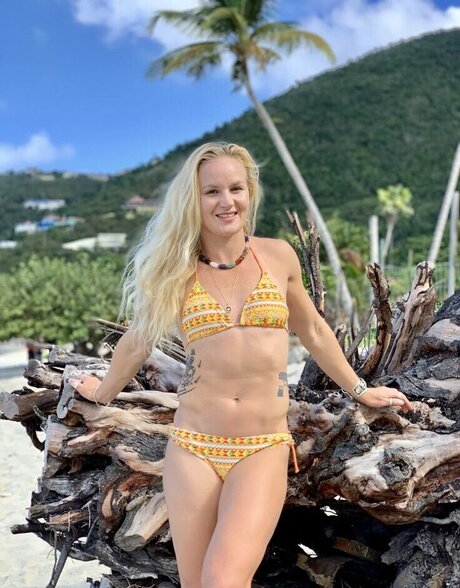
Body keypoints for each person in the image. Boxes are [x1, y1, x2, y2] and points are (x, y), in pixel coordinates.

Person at [71, 142, 412, 588]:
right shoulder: (176, 269)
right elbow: (137, 340)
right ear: (194, 200)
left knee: (224, 578)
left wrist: (360, 389)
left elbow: (313, 329)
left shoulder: (278, 256)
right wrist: (101, 393)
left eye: (236, 188)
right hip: (193, 445)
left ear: (250, 192)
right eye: (211, 191)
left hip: (261, 445)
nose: (226, 201)